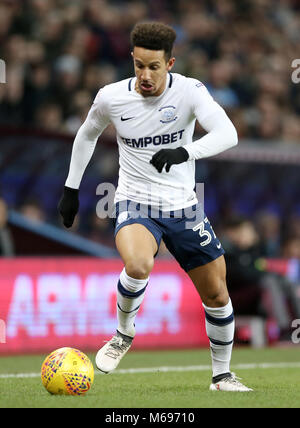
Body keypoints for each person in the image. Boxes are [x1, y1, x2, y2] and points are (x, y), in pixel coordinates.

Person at [58, 22, 252, 392]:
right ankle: (123, 333)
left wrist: (186, 150)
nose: (145, 76)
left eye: (154, 67)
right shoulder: (112, 97)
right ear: (132, 60)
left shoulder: (191, 91)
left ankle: (222, 376)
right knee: (138, 263)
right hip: (135, 200)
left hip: (184, 206)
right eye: (139, 66)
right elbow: (87, 133)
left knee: (216, 294)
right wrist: (71, 189)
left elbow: (229, 133)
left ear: (170, 63)